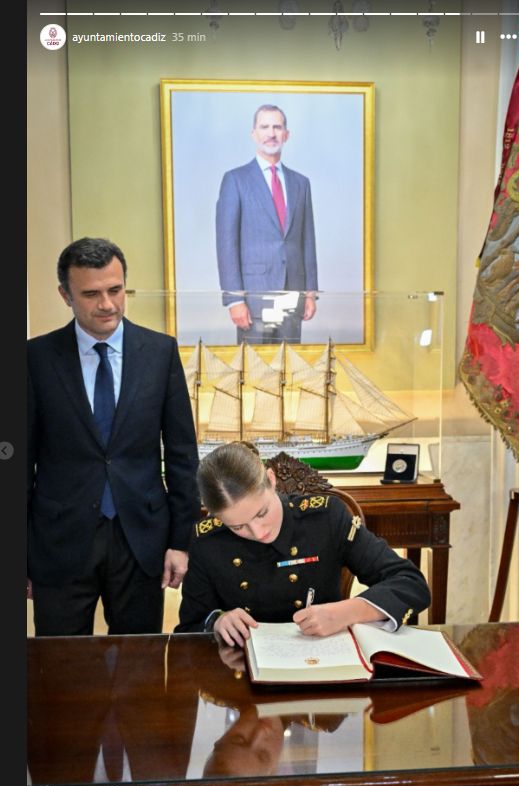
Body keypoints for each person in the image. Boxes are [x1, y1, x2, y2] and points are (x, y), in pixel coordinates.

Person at [27, 237, 200, 636]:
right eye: (91, 293)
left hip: (141, 540)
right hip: (58, 543)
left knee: (139, 673)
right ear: (65, 295)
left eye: (115, 290)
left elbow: (181, 456)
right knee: (61, 678)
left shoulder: (160, 352)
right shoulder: (34, 359)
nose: (107, 304)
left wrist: (181, 541)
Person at [175, 441, 430, 642]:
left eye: (262, 513)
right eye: (238, 526)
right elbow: (190, 627)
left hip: (323, 667)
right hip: (245, 678)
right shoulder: (207, 540)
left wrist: (346, 612)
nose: (259, 531)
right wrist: (217, 622)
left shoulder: (325, 518)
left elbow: (411, 583)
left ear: (272, 480)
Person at [215, 104, 318, 345]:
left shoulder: (301, 183)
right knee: (255, 373)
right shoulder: (235, 180)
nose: (271, 133)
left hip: (293, 295)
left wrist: (310, 293)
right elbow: (226, 244)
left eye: (277, 127)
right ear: (254, 134)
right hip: (254, 298)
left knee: (289, 372)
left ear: (286, 134)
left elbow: (308, 241)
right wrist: (234, 299)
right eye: (264, 127)